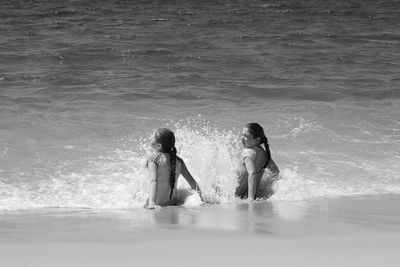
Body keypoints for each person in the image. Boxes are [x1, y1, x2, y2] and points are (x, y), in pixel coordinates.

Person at [144, 128, 203, 209]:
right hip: (172, 203)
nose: (151, 137)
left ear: (159, 145)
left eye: (154, 137)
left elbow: (154, 181)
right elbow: (191, 181)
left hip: (157, 204)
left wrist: (152, 203)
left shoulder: (153, 159)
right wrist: (201, 199)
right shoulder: (178, 161)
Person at [235, 123, 279, 201]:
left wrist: (251, 198)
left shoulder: (248, 153)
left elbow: (252, 173)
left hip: (234, 194)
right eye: (242, 135)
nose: (242, 138)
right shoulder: (264, 154)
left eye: (246, 136)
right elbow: (276, 172)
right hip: (246, 195)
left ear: (257, 139)